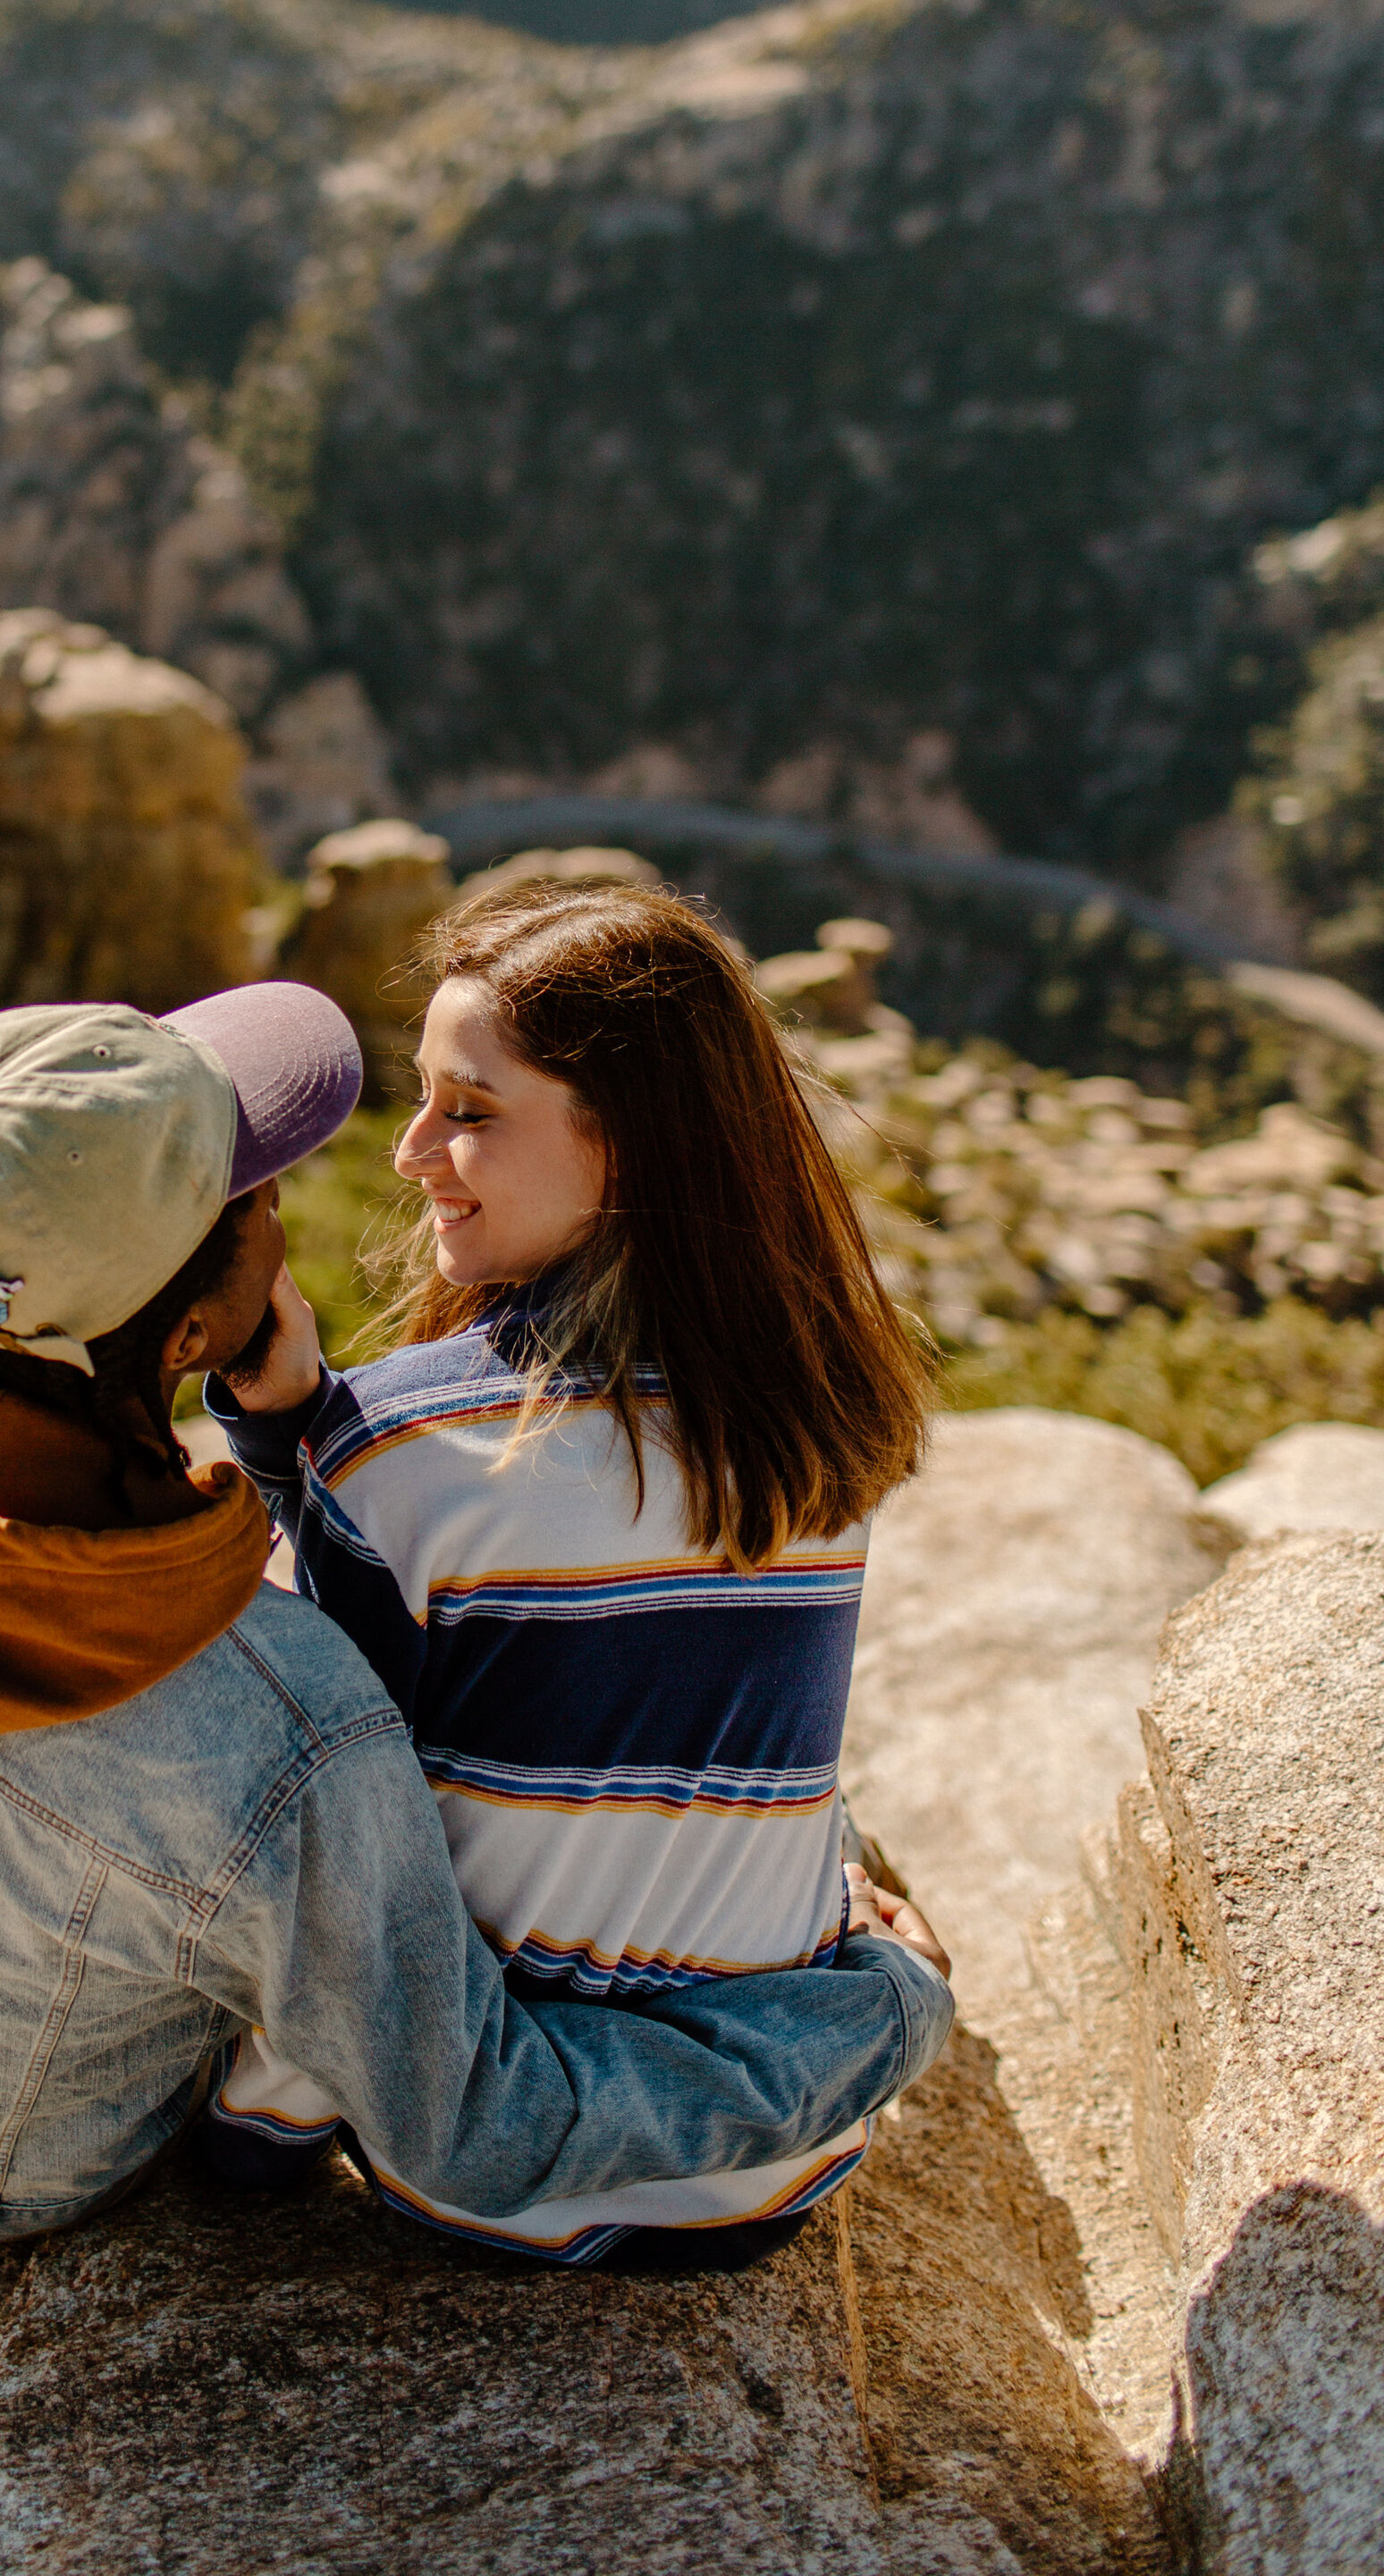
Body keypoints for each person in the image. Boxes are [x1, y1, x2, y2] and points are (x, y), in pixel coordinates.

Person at [0, 979, 952, 2253]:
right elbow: (481, 2119)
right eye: (262, 1197)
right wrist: (875, 2018)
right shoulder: (279, 1720)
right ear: (203, 1321)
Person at [205, 883, 948, 2271]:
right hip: (772, 2170)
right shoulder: (820, 1424)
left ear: (628, 1143)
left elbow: (335, 1835)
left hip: (500, 2180)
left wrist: (252, 2126)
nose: (415, 1152)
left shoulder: (410, 1453)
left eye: (470, 1111)